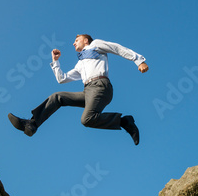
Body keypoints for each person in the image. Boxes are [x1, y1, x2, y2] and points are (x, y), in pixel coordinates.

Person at [8, 34, 149, 145]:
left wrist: (139, 60)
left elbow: (117, 48)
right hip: (88, 91)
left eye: (77, 40)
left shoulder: (95, 45)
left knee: (86, 119)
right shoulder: (80, 63)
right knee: (58, 97)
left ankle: (124, 122)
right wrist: (56, 61)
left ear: (86, 40)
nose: (74, 43)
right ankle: (32, 124)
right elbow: (62, 79)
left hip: (101, 86)